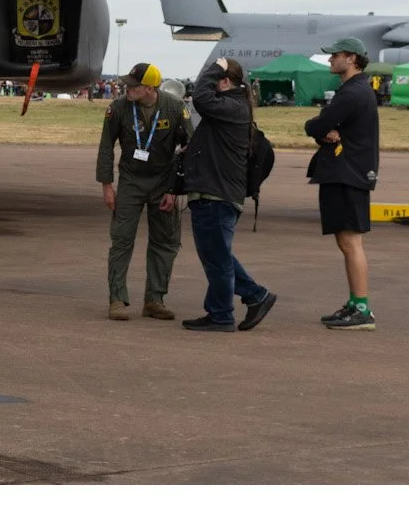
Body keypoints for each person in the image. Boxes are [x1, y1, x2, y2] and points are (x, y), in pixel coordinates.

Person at [180, 57, 276, 333]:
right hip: (214, 191)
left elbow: (200, 98)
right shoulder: (231, 109)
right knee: (216, 255)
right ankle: (222, 309)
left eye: (217, 80)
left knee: (218, 257)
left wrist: (214, 67)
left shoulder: (232, 106)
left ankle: (243, 303)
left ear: (225, 82)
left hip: (217, 194)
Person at [96, 62, 189, 320]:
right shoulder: (118, 108)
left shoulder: (174, 107)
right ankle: (116, 299)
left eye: (134, 85)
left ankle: (154, 299)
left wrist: (175, 189)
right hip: (130, 181)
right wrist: (107, 186)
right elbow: (106, 146)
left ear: (149, 88)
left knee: (165, 242)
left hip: (163, 182)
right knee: (121, 239)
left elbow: (187, 149)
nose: (128, 88)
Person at [306, 37, 381, 331]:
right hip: (352, 171)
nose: (329, 60)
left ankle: (361, 308)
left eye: (334, 55)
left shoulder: (352, 93)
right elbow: (324, 127)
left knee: (350, 242)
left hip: (347, 172)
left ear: (351, 58)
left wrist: (321, 129)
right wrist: (324, 130)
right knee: (348, 241)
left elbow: (315, 125)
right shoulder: (356, 90)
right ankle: (355, 303)